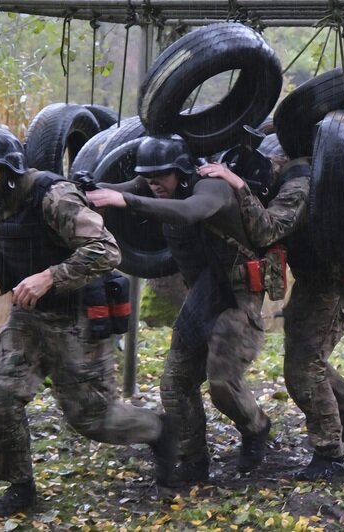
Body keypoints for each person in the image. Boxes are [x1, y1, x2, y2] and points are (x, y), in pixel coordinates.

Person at [0, 124, 178, 516]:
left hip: (77, 317)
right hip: (28, 317)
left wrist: (49, 276)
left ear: (11, 170)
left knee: (92, 417)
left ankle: (159, 430)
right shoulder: (0, 196)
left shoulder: (54, 196)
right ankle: (20, 487)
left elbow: (106, 251)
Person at [86, 135, 272, 486]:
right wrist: (86, 187)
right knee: (175, 383)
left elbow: (189, 211)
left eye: (161, 176)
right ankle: (193, 460)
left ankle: (256, 427)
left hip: (237, 292)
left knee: (222, 382)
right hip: (203, 292)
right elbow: (119, 187)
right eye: (148, 177)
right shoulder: (154, 183)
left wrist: (125, 200)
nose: (153, 184)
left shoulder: (212, 186)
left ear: (182, 170)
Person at [207, 156, 344, 480]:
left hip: (333, 281)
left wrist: (237, 185)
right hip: (314, 280)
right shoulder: (289, 165)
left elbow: (267, 230)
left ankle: (330, 455)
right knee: (305, 358)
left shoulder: (300, 184)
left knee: (303, 369)